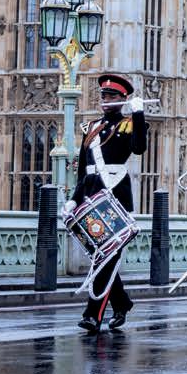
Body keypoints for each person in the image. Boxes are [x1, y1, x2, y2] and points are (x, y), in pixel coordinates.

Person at [67, 72, 148, 333]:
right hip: (92, 196)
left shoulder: (128, 124)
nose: (106, 100)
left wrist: (138, 114)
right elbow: (83, 169)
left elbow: (139, 148)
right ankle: (122, 303)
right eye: (104, 96)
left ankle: (93, 315)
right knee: (101, 256)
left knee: (106, 256)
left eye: (112, 97)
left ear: (122, 99)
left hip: (115, 197)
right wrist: (74, 199)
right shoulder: (91, 127)